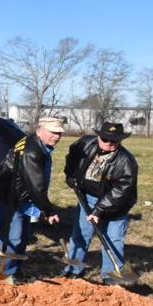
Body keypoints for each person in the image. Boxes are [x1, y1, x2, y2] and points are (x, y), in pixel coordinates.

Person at [61, 121, 140, 283]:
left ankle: (111, 276)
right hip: (88, 197)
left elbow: (120, 191)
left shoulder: (126, 161)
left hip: (117, 204)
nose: (110, 144)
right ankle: (74, 270)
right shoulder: (85, 143)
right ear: (98, 136)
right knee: (80, 235)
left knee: (113, 239)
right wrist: (71, 175)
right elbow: (72, 156)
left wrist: (98, 210)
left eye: (114, 141)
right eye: (105, 139)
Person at [0, 116, 63, 285]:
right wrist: (48, 210)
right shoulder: (32, 150)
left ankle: (14, 272)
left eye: (59, 133)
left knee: (21, 236)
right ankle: (5, 276)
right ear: (40, 130)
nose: (57, 136)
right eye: (53, 132)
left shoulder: (37, 144)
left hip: (20, 196)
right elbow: (35, 185)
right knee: (12, 238)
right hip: (10, 196)